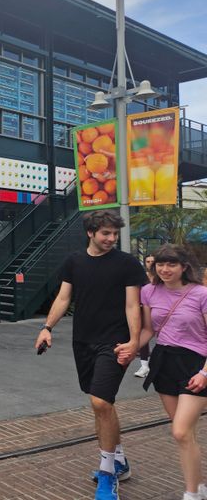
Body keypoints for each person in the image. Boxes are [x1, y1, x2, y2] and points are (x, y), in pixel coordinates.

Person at [34, 210, 147, 500]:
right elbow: (63, 297)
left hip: (115, 343)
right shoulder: (74, 262)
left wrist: (134, 342)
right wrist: (47, 327)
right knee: (103, 404)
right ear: (90, 233)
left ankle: (107, 473)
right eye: (105, 233)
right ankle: (119, 459)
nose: (111, 239)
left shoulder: (127, 264)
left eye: (114, 234)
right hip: (82, 341)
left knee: (99, 401)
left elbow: (132, 306)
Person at [138, 244, 207, 500]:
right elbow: (148, 331)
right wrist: (130, 347)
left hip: (195, 365)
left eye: (171, 264)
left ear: (184, 267)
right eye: (160, 264)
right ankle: (199, 487)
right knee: (185, 434)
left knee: (180, 431)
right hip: (164, 362)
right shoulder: (148, 291)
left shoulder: (201, 294)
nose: (165, 270)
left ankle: (191, 494)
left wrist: (205, 373)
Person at [134, 255, 156, 378]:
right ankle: (144, 366)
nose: (150, 264)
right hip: (144, 310)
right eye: (148, 261)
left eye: (152, 261)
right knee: (143, 335)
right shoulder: (141, 277)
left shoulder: (163, 278)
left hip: (160, 311)